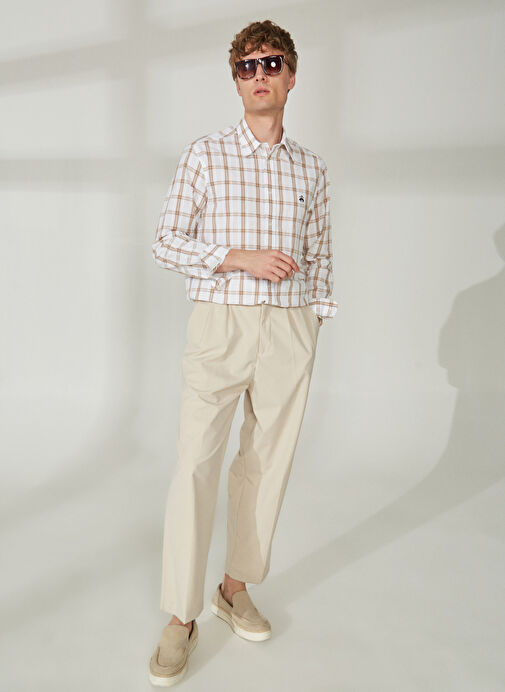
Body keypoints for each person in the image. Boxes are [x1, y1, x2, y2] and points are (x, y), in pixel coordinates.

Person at [148, 19, 338, 687]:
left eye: (271, 63)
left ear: (291, 76)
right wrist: (237, 256)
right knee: (195, 464)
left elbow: (320, 253)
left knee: (266, 464)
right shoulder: (206, 155)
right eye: (247, 66)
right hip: (221, 325)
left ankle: (233, 589)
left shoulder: (311, 168)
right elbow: (165, 241)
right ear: (235, 82)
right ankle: (181, 617)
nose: (259, 75)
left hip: (288, 331)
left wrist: (313, 320)